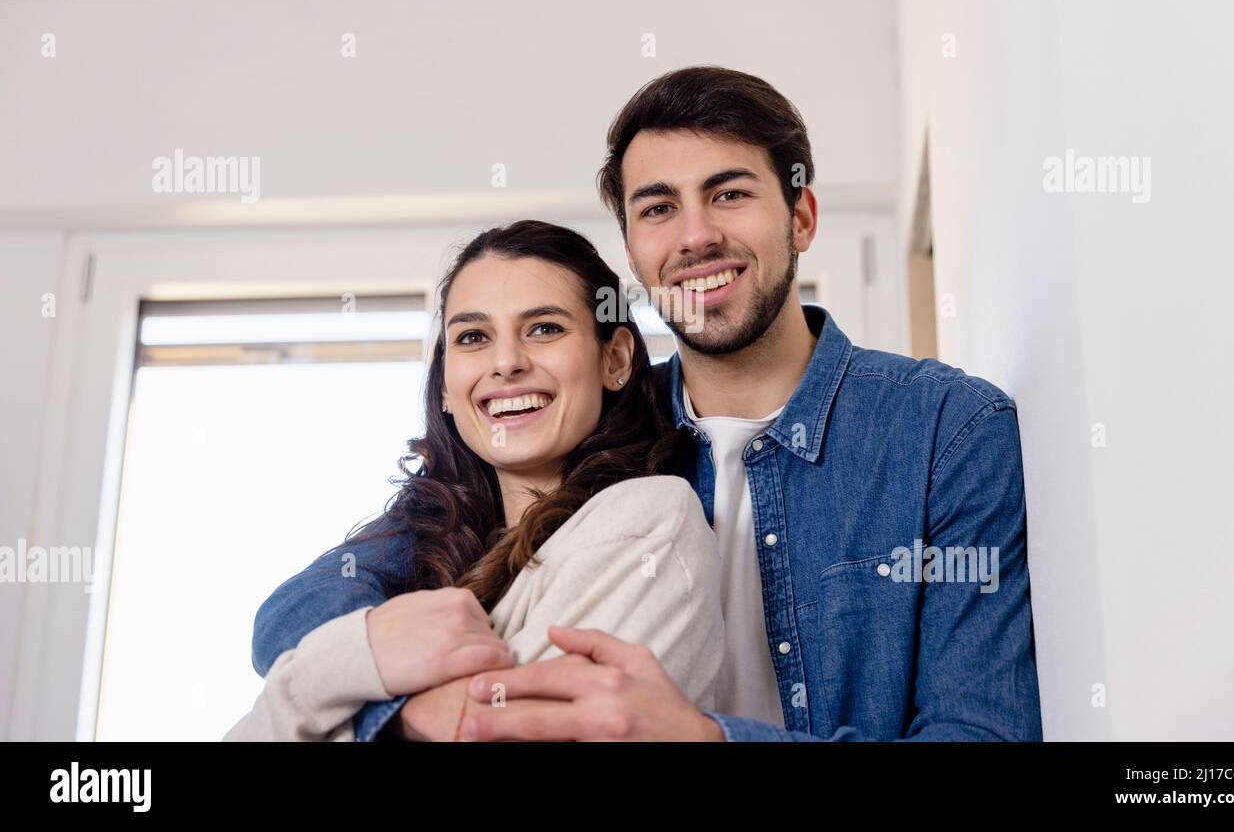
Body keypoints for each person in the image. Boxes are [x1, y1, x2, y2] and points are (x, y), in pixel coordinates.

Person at [253, 65, 1044, 742]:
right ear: (632, 248)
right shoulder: (597, 431)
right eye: (659, 207)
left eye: (729, 194)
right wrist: (405, 705)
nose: (695, 236)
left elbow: (981, 733)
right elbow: (303, 610)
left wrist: (705, 739)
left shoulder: (944, 430)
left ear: (800, 216)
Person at [224, 221, 724, 740]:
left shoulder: (650, 518)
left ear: (615, 359)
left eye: (544, 328)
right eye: (473, 337)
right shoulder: (412, 557)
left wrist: (323, 691)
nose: (506, 362)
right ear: (444, 383)